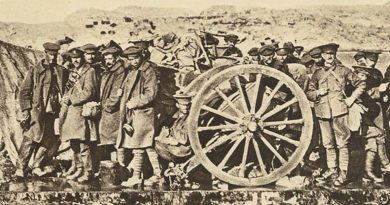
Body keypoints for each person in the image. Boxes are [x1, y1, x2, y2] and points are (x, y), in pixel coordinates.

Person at [307, 43, 366, 186]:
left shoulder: (344, 71)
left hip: (339, 111)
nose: (329, 57)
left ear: (335, 55)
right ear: (322, 56)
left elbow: (361, 84)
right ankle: (332, 170)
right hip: (323, 112)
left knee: (342, 143)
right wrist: (317, 93)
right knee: (328, 144)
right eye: (326, 55)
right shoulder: (317, 73)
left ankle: (343, 173)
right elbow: (308, 93)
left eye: (332, 54)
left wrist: (351, 98)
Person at [17, 42, 68, 177]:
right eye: (50, 55)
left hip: (54, 110)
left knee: (48, 139)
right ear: (44, 53)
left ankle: (36, 166)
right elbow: (24, 91)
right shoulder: (35, 70)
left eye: (55, 55)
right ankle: (20, 168)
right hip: (37, 110)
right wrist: (26, 109)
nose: (52, 58)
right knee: (30, 138)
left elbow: (67, 88)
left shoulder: (61, 71)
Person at [117, 46, 162, 187]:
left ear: (141, 56)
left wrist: (135, 102)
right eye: (130, 59)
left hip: (144, 112)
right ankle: (158, 175)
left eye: (136, 58)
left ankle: (137, 176)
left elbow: (151, 93)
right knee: (146, 146)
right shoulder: (132, 71)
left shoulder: (148, 72)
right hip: (135, 113)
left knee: (139, 146)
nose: (134, 61)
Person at [60, 47, 99, 182]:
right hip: (71, 112)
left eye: (78, 58)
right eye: (73, 58)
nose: (75, 60)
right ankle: (79, 168)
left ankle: (88, 171)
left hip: (82, 111)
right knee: (74, 143)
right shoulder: (73, 72)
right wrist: (65, 97)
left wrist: (72, 99)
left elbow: (89, 92)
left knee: (83, 144)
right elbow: (68, 89)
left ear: (82, 58)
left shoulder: (90, 71)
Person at [351, 65, 390, 183]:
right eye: (361, 75)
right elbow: (367, 96)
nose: (363, 78)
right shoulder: (353, 87)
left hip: (363, 121)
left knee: (372, 143)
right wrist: (380, 91)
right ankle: (386, 164)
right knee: (380, 134)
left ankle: (368, 173)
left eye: (365, 76)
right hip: (355, 122)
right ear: (355, 75)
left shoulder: (358, 86)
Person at [98, 46, 126, 165]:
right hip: (108, 111)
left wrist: (106, 105)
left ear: (116, 58)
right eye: (106, 59)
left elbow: (116, 93)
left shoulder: (119, 72)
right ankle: (114, 165)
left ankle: (120, 166)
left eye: (110, 58)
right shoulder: (110, 71)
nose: (108, 61)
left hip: (113, 112)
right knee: (110, 141)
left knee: (116, 141)